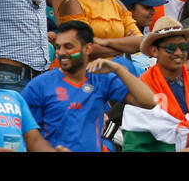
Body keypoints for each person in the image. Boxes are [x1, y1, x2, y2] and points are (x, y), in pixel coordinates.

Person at [23, 20, 155, 152]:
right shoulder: (39, 86)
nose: (61, 53)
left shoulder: (100, 79)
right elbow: (29, 135)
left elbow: (149, 102)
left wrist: (118, 69)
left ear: (88, 48)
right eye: (58, 47)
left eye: (68, 46)